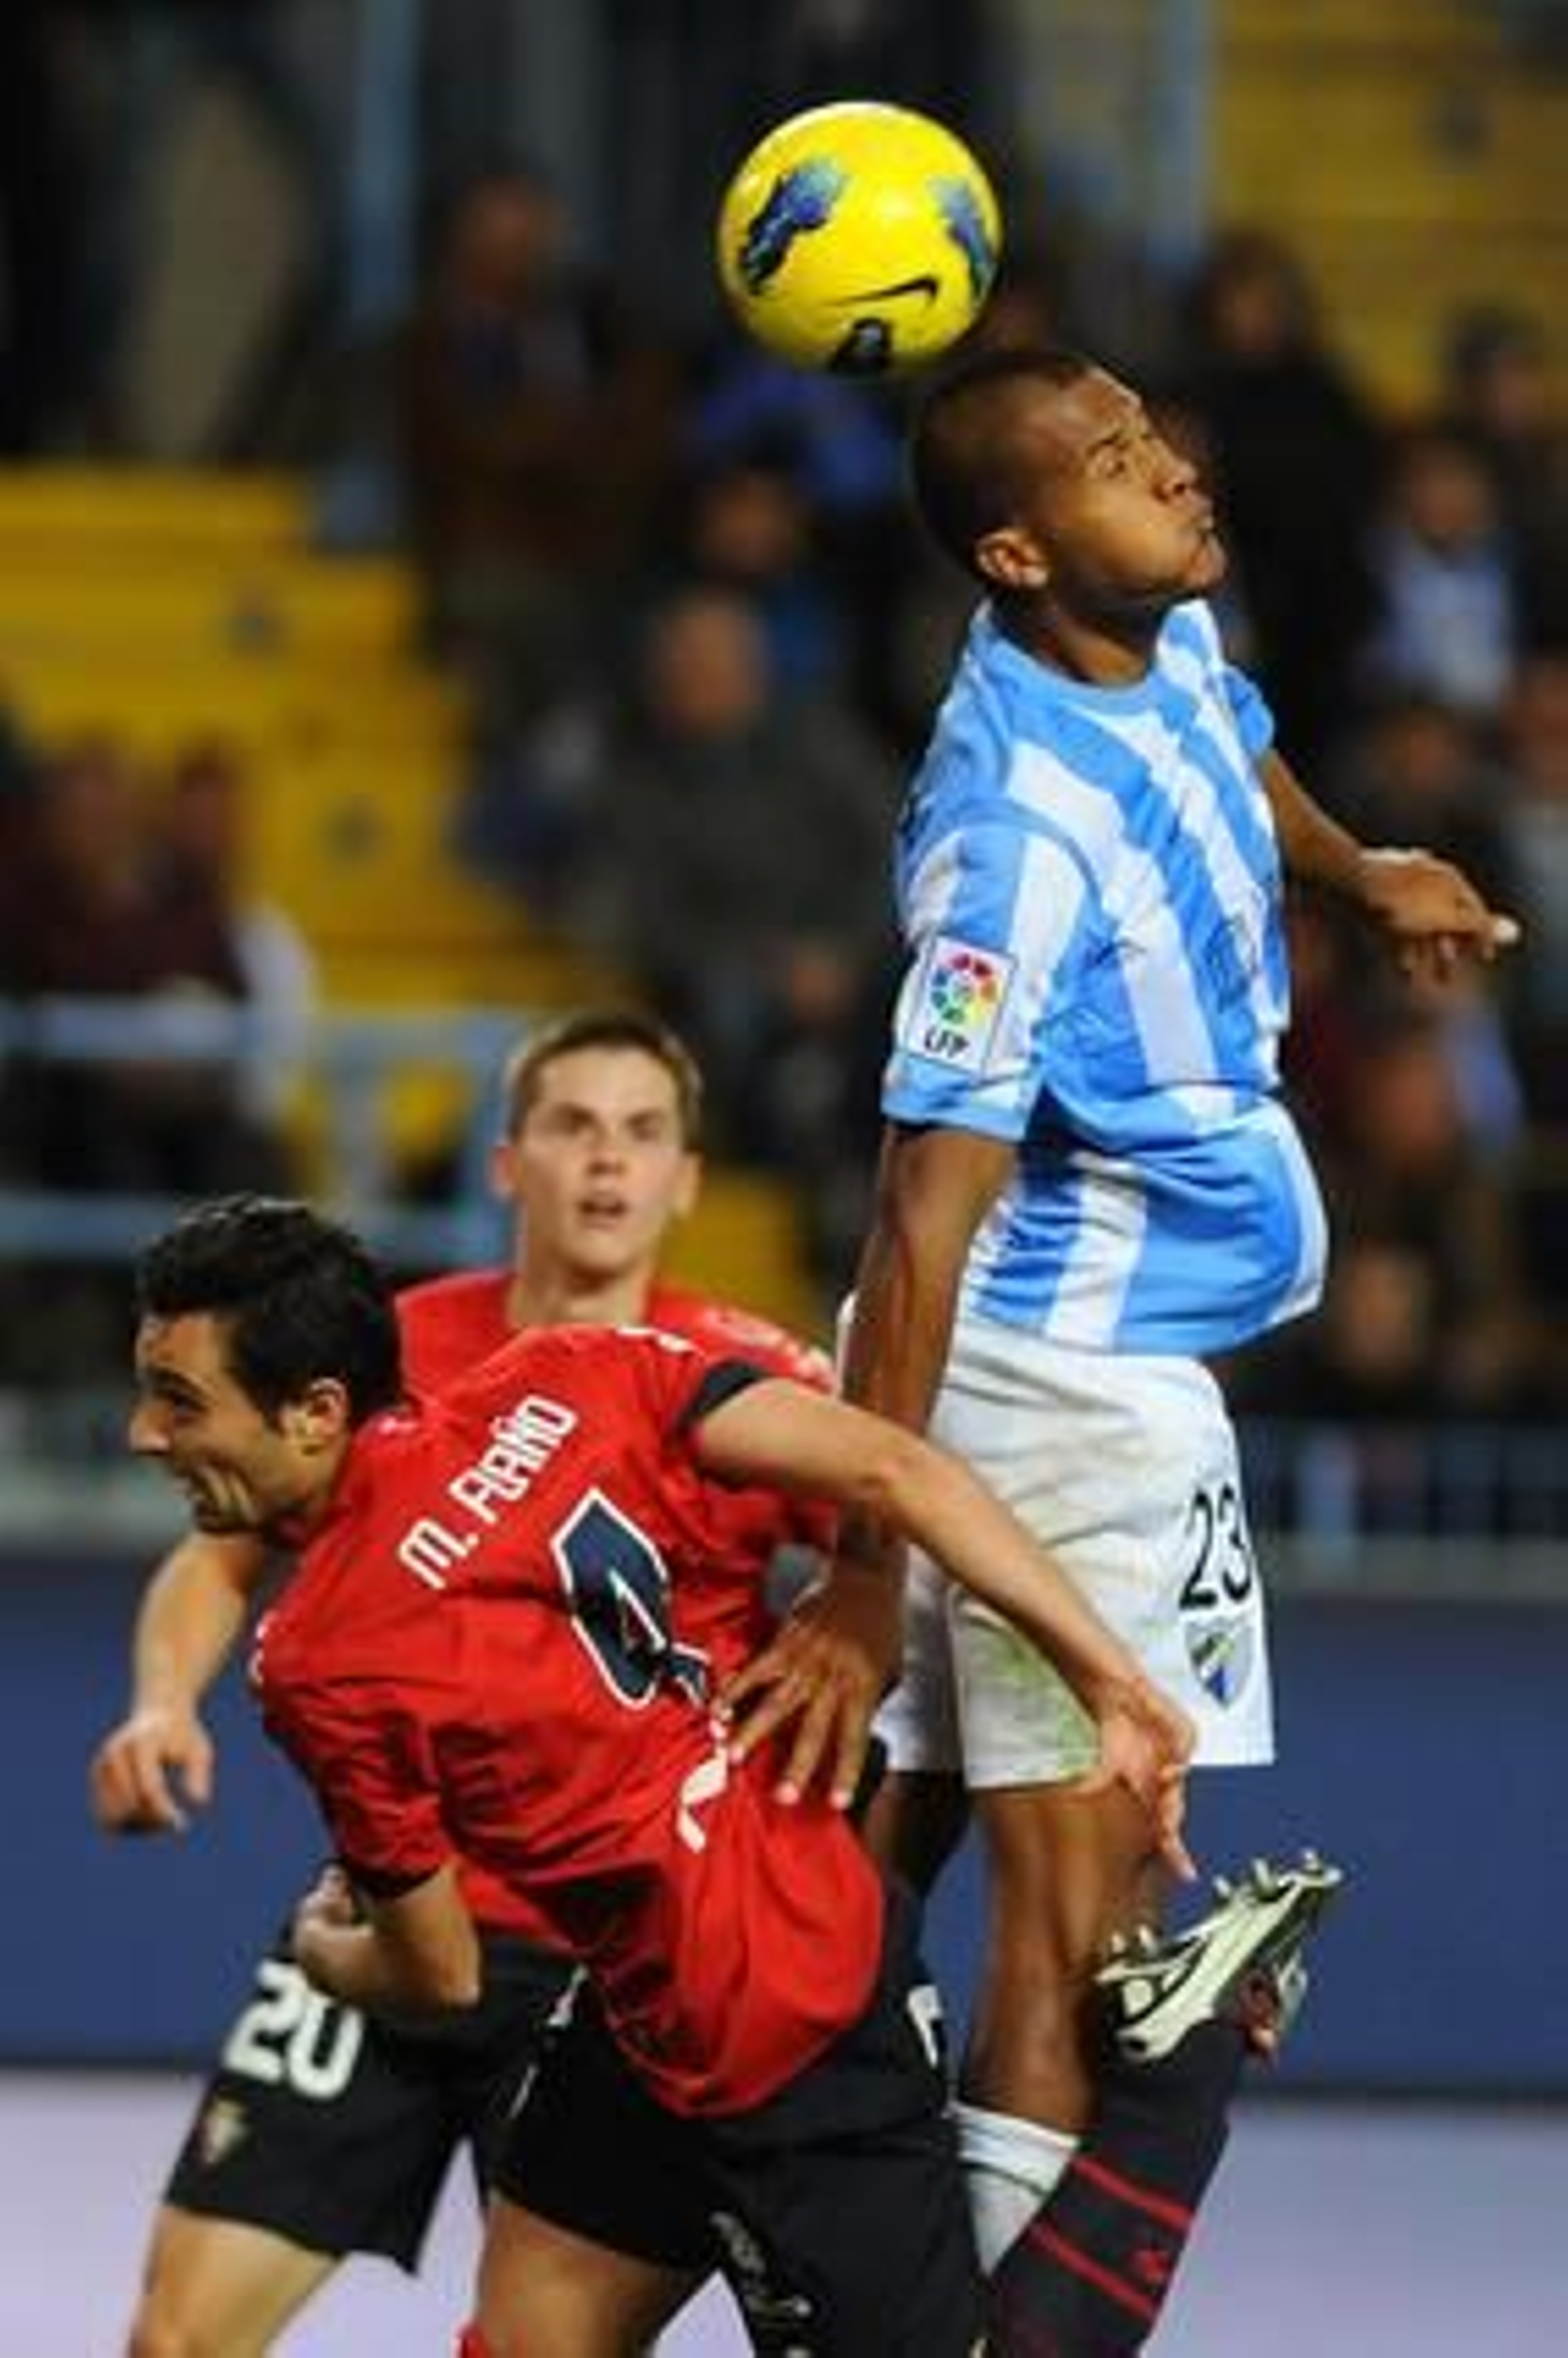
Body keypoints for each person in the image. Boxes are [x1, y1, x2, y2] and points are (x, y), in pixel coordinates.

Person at [719, 346, 1516, 2297]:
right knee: (1061, 1931)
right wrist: (852, 1558)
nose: (1167, 471)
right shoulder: (1009, 844)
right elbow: (919, 1215)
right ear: (1009, 551)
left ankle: (733, 2227)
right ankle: (987, 2333)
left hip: (1039, 1372)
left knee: (860, 1860)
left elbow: (1221, 736)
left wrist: (1350, 871)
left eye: (1148, 431)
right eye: (1105, 462)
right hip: (1046, 1386)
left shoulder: (1149, 629)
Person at [124, 1191, 1209, 2355]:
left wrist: (333, 1955)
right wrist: (1112, 1681)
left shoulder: (319, 1660)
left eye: (180, 1402)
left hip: (792, 2026)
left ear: (315, 1414)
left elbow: (434, 1976)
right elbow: (897, 1469)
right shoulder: (570, 1373)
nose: (145, 1433)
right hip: (654, 2000)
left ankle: (1179, 2095)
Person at [89, 1010, 837, 2357]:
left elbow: (891, 1542)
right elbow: (218, 1561)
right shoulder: (382, 1352)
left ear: (687, 1180)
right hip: (394, 1911)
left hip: (602, 1961)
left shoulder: (752, 1373)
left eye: (642, 1131)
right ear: (508, 1163)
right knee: (176, 2337)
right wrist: (160, 1699)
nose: (605, 1163)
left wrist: (857, 1624)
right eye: (570, 1126)